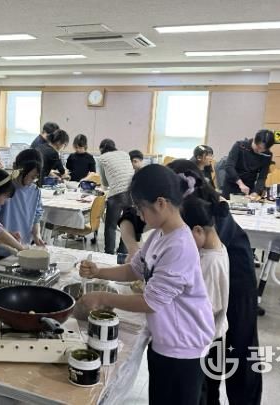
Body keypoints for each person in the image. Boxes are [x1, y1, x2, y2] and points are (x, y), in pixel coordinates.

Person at [78, 164, 214, 405]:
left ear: (160, 203)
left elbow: (151, 302)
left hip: (183, 346)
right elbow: (135, 269)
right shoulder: (159, 235)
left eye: (141, 208)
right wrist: (100, 272)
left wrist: (102, 297)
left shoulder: (179, 245)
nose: (140, 216)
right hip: (166, 338)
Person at [168, 158, 262, 405]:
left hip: (236, 280)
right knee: (212, 351)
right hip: (216, 280)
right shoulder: (192, 202)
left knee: (239, 350)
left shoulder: (203, 211)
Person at [181, 193, 230, 405]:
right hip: (210, 337)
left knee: (200, 393)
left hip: (203, 341)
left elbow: (204, 311)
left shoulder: (210, 262)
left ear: (198, 230)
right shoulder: (215, 248)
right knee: (206, 391)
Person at [0, 149, 45, 260]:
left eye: (34, 177)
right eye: (27, 176)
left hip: (23, 247)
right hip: (1, 249)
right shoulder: (3, 188)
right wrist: (8, 237)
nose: (30, 181)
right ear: (16, 168)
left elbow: (36, 216)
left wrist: (36, 235)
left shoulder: (35, 191)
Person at [98, 139, 134, 255]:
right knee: (127, 223)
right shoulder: (125, 154)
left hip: (117, 194)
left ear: (101, 149)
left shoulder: (102, 158)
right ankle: (122, 252)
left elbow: (105, 183)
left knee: (111, 226)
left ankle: (109, 253)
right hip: (132, 192)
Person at [221, 130, 275, 199]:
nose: (259, 151)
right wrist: (240, 184)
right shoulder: (240, 146)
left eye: (262, 149)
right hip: (231, 184)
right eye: (258, 147)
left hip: (248, 187)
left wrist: (255, 192)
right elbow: (229, 166)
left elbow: (262, 177)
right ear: (254, 140)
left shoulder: (267, 155)